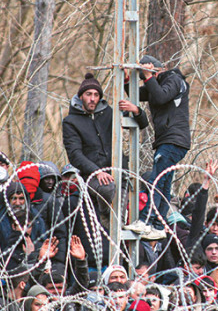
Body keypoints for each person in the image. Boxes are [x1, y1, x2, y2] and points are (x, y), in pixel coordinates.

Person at [62, 73, 149, 228]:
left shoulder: (109, 112)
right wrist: (96, 171)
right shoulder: (71, 121)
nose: (92, 99)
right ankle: (104, 214)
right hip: (93, 176)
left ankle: (115, 230)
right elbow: (75, 154)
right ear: (81, 96)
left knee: (117, 224)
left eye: (96, 95)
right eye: (88, 94)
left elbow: (142, 124)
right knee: (107, 189)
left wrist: (136, 110)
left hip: (118, 172)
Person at [129, 55, 191, 230]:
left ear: (158, 70)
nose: (149, 81)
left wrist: (149, 77)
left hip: (173, 140)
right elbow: (136, 94)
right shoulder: (156, 85)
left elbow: (160, 97)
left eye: (151, 75)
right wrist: (127, 80)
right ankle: (158, 224)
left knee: (155, 180)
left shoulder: (174, 80)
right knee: (163, 183)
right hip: (168, 140)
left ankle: (146, 220)